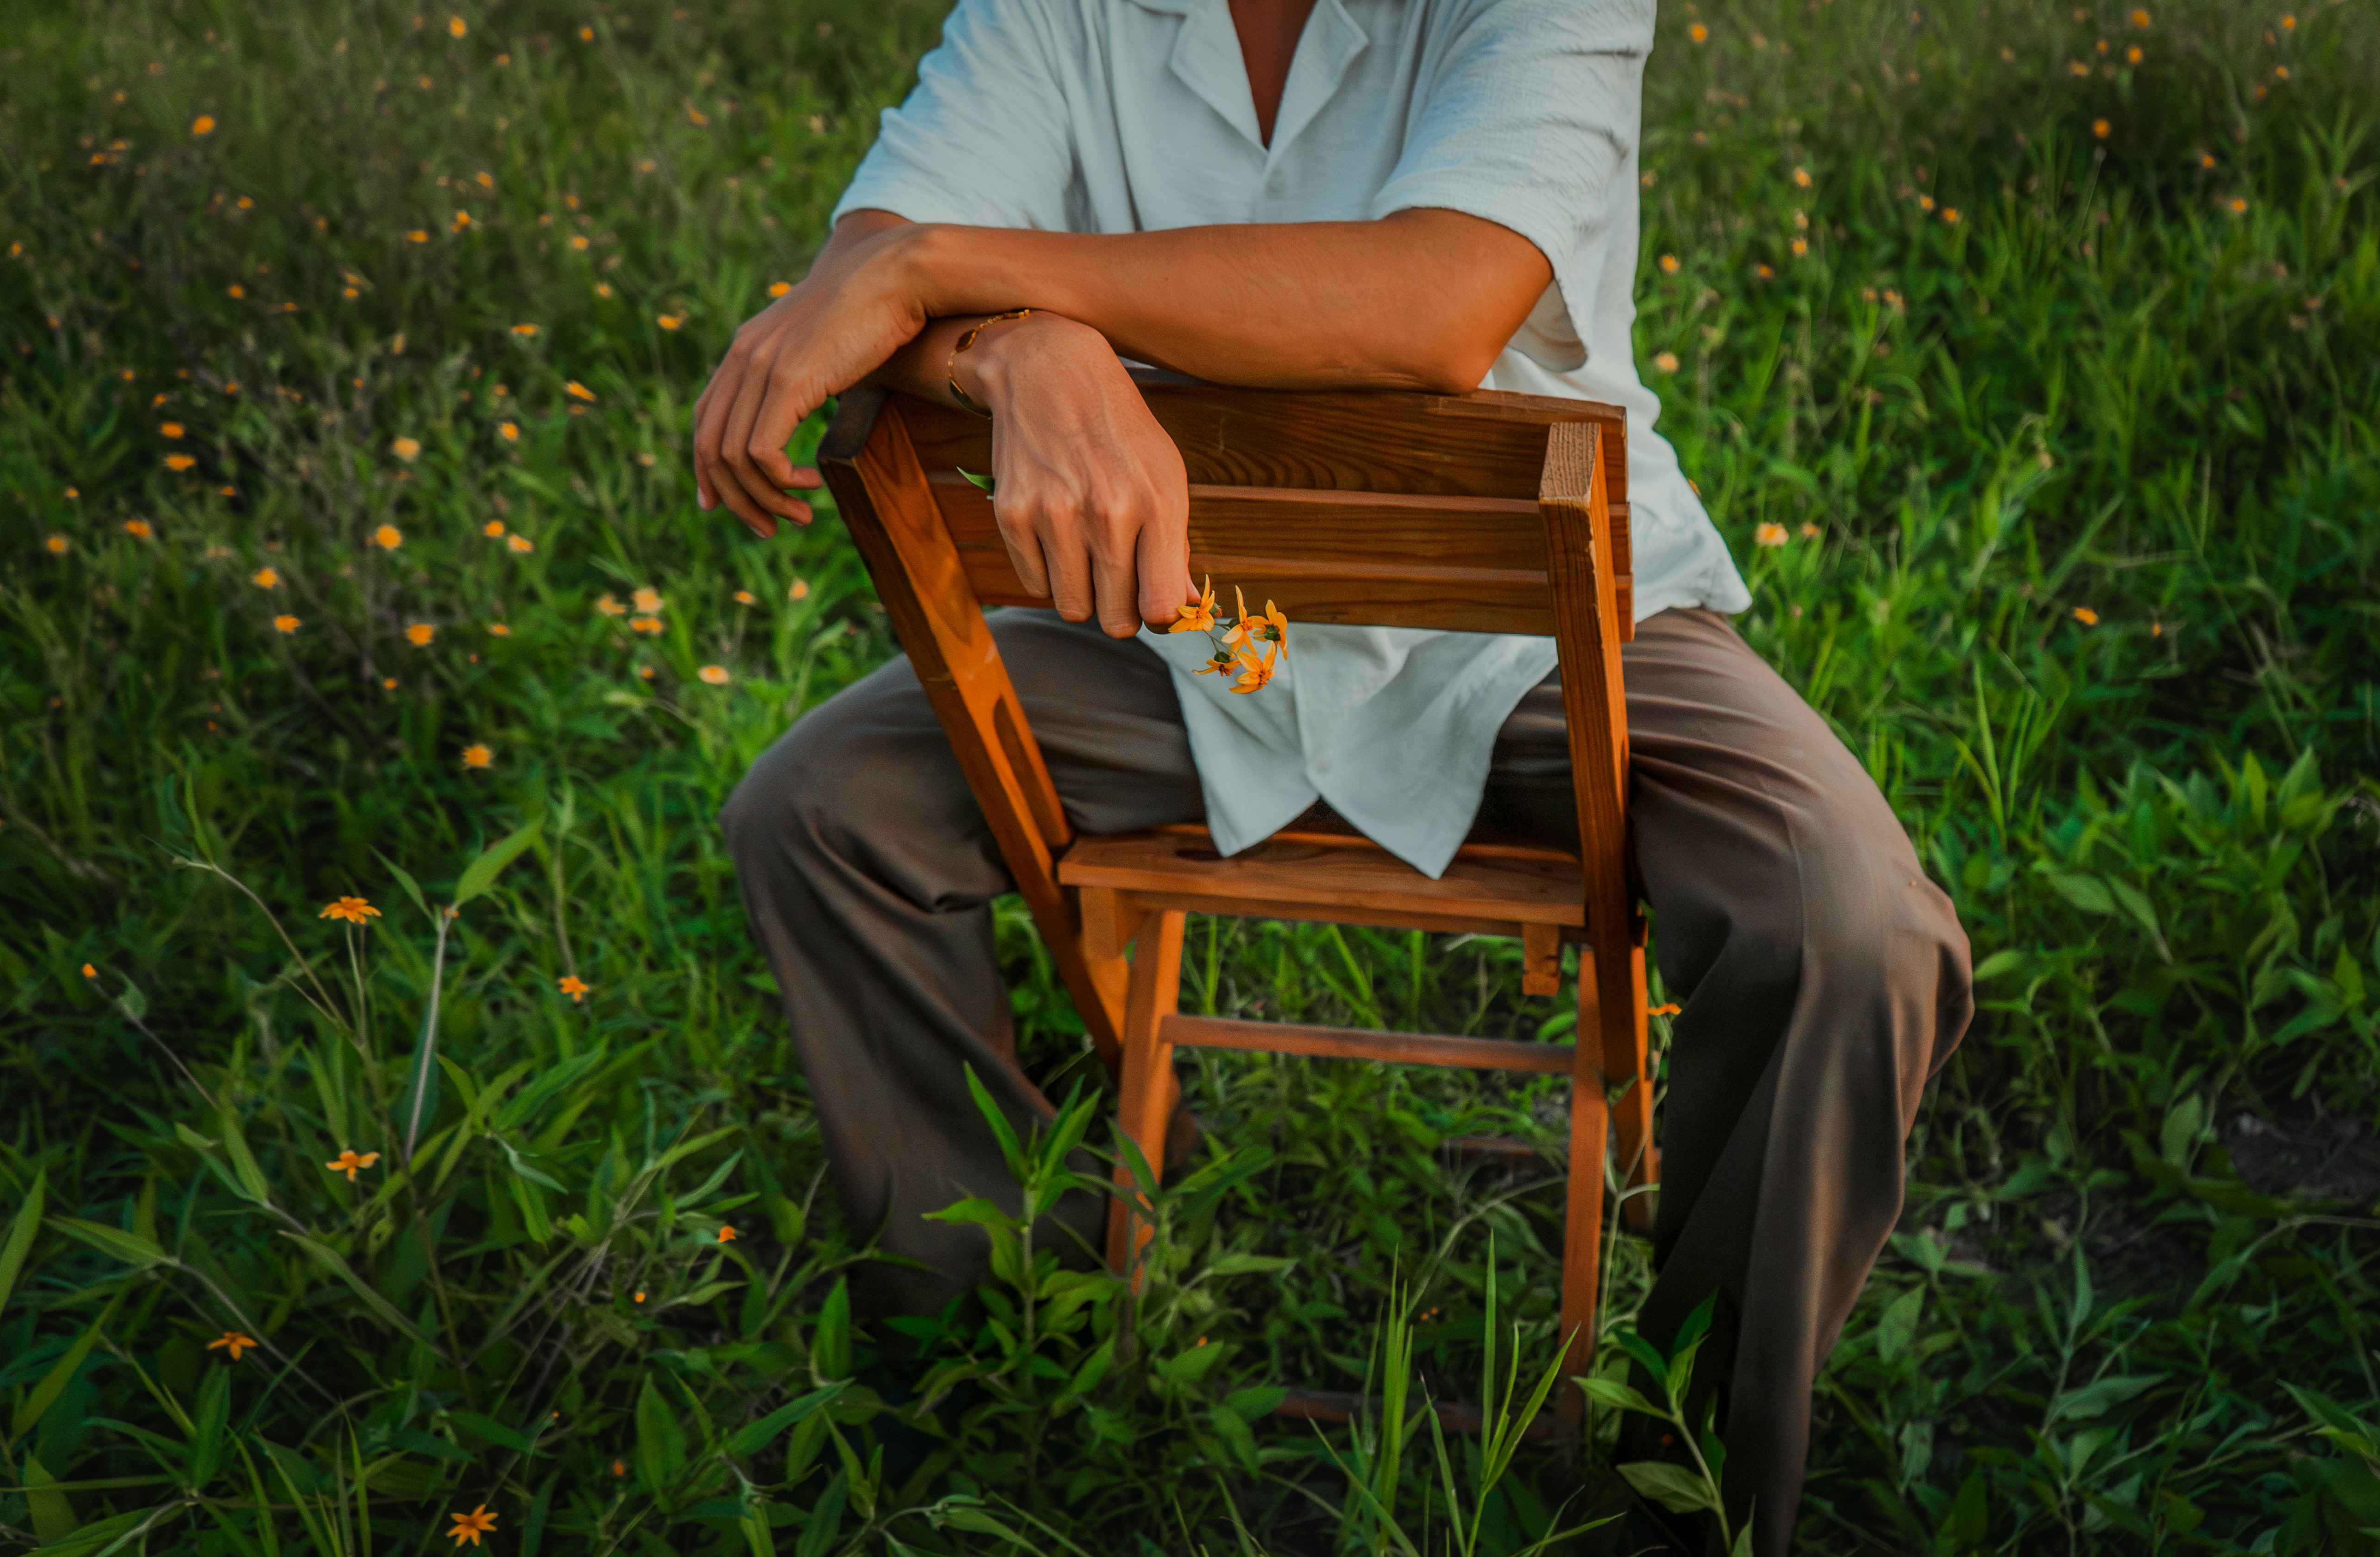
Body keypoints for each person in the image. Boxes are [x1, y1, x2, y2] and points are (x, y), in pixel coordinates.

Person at [700, 0, 1975, 1545]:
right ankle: (995, 1344)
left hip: (1531, 640)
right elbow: (863, 283)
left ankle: (1694, 1485)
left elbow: (1435, 304)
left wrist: (953, 283)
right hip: (1187, 635)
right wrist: (1019, 349)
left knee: (1852, 926)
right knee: (820, 814)